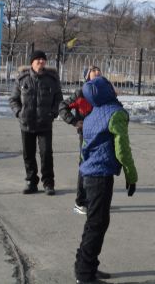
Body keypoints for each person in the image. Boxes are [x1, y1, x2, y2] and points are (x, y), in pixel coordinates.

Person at [74, 76, 137, 284]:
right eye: (111, 86)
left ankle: (86, 265)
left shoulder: (93, 113)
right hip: (100, 176)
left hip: (88, 174)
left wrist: (84, 168)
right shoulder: (115, 113)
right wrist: (131, 174)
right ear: (106, 91)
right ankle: (84, 274)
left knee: (94, 222)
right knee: (97, 223)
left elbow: (84, 148)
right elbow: (122, 149)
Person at [10, 50, 63, 195]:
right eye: (38, 60)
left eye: (43, 60)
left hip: (45, 123)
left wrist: (53, 113)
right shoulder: (22, 79)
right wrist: (19, 113)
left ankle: (48, 183)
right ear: (32, 62)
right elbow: (13, 99)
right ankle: (31, 182)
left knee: (46, 154)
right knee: (28, 154)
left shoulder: (51, 79)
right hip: (26, 123)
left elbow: (59, 99)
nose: (41, 62)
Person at [59, 65, 102, 214]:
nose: (97, 72)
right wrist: (74, 121)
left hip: (102, 135)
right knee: (85, 166)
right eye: (93, 70)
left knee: (100, 167)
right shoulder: (81, 93)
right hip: (86, 136)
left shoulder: (103, 93)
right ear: (87, 76)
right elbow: (63, 107)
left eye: (98, 70)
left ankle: (94, 200)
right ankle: (80, 202)